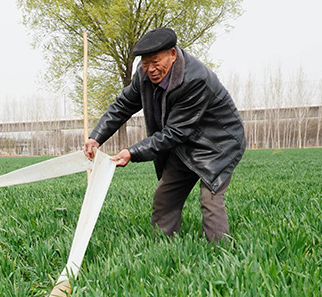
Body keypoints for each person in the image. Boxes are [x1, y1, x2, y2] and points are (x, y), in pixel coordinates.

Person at [84, 27, 246, 243]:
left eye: (155, 61)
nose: (150, 69)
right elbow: (123, 105)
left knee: (210, 197)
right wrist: (97, 137)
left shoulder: (195, 79)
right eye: (145, 63)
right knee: (166, 196)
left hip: (217, 144)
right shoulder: (143, 75)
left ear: (172, 53)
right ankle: (164, 249)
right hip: (184, 143)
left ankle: (221, 253)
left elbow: (175, 132)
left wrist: (132, 152)